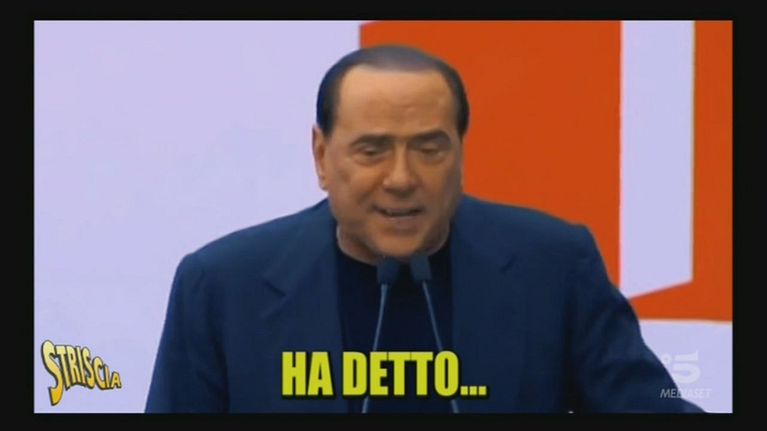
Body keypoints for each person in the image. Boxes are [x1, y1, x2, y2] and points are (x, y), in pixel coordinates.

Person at [145, 45, 704, 413]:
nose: (401, 179)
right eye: (372, 150)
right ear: (321, 155)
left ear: (461, 152)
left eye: (429, 149)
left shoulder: (554, 265)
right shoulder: (222, 285)